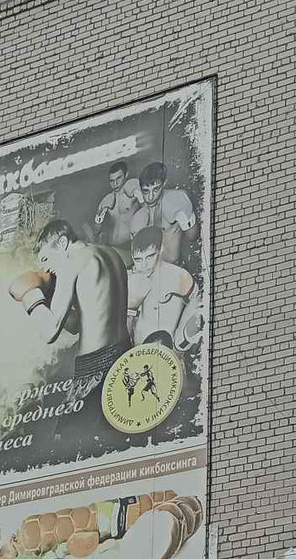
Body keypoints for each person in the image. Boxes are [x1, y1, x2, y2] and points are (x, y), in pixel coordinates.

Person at [15, 218, 129, 394]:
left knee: (78, 413)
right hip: (124, 353)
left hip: (95, 364)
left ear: (62, 242)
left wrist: (29, 295)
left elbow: (49, 332)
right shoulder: (111, 254)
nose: (46, 269)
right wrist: (49, 297)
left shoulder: (70, 263)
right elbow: (77, 325)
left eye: (45, 258)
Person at [125, 227, 201, 350]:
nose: (143, 265)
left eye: (149, 257)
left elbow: (196, 305)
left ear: (161, 249)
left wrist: (182, 343)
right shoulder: (128, 280)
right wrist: (131, 308)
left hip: (170, 351)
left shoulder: (179, 276)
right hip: (137, 352)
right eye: (138, 259)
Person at [128, 162, 196, 263]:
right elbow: (136, 256)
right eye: (146, 191)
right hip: (150, 270)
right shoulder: (138, 218)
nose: (150, 197)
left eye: (156, 189)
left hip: (174, 266)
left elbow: (192, 236)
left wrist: (185, 220)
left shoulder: (177, 201)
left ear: (164, 183)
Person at [93, 162, 144, 249]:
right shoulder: (107, 200)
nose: (115, 183)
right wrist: (99, 213)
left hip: (131, 243)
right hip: (114, 246)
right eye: (112, 181)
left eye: (118, 178)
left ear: (126, 175)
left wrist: (140, 196)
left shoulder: (133, 191)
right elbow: (95, 232)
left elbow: (149, 211)